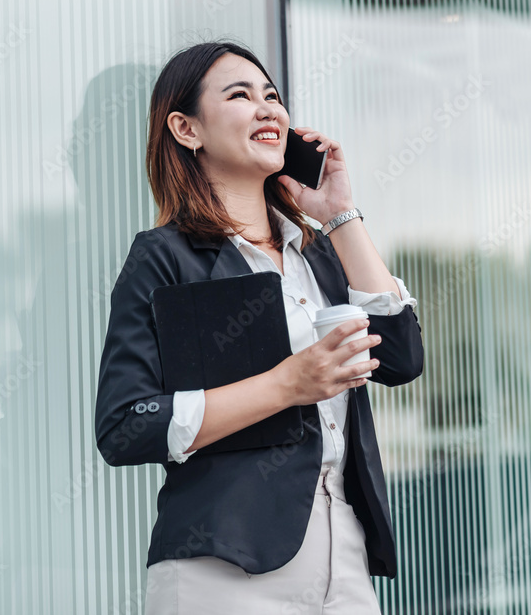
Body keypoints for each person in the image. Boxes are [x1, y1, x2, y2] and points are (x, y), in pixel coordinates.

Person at [93, 41, 424, 613]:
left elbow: (400, 357)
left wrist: (339, 213)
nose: (268, 108)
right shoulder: (167, 258)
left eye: (272, 95)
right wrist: (288, 385)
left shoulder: (318, 254)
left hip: (344, 558)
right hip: (223, 566)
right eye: (240, 95)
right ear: (186, 128)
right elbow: (124, 426)